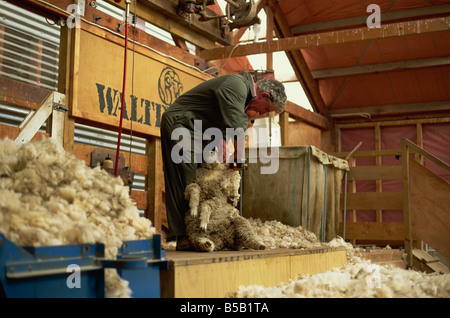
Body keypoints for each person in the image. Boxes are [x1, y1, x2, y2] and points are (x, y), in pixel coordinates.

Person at [160, 71, 287, 251]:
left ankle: (201, 232)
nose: (261, 113)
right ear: (264, 95)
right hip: (182, 124)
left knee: (203, 179)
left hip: (199, 130)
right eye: (266, 109)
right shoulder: (237, 85)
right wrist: (238, 160)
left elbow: (223, 121)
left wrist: (223, 147)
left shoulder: (242, 97)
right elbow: (236, 128)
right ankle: (184, 236)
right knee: (186, 177)